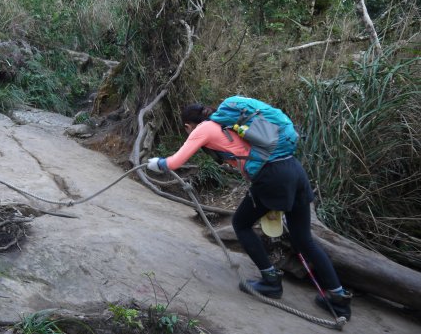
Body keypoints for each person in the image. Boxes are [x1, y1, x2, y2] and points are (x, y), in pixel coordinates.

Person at [146, 102, 352, 320]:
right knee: (303, 239)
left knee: (241, 224)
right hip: (293, 168)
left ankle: (271, 281)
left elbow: (175, 162)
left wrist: (157, 163)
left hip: (271, 177)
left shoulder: (204, 129)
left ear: (189, 125)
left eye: (187, 129)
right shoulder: (231, 123)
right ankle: (339, 300)